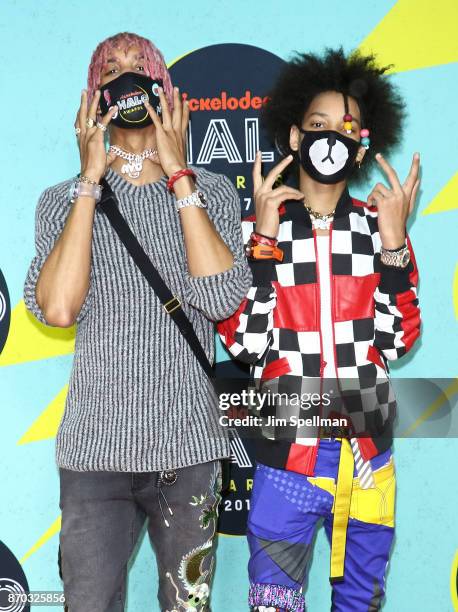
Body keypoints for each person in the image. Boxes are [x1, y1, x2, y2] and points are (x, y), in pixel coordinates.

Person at [23, 31, 252, 612]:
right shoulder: (62, 200)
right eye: (111, 69)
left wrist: (180, 178)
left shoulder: (214, 193)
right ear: (94, 97)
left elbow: (224, 297)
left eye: (139, 65)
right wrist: (88, 183)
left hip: (188, 450)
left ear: (164, 89)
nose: (126, 75)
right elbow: (57, 308)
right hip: (95, 453)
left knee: (188, 607)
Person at [217, 47, 421, 611]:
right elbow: (245, 343)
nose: (329, 136)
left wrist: (395, 245)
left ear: (361, 144)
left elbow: (399, 338)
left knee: (360, 602)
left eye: (343, 127)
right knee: (274, 604)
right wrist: (260, 245)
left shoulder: (378, 229)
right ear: (293, 136)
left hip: (368, 461)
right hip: (288, 460)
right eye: (316, 124)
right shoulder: (256, 229)